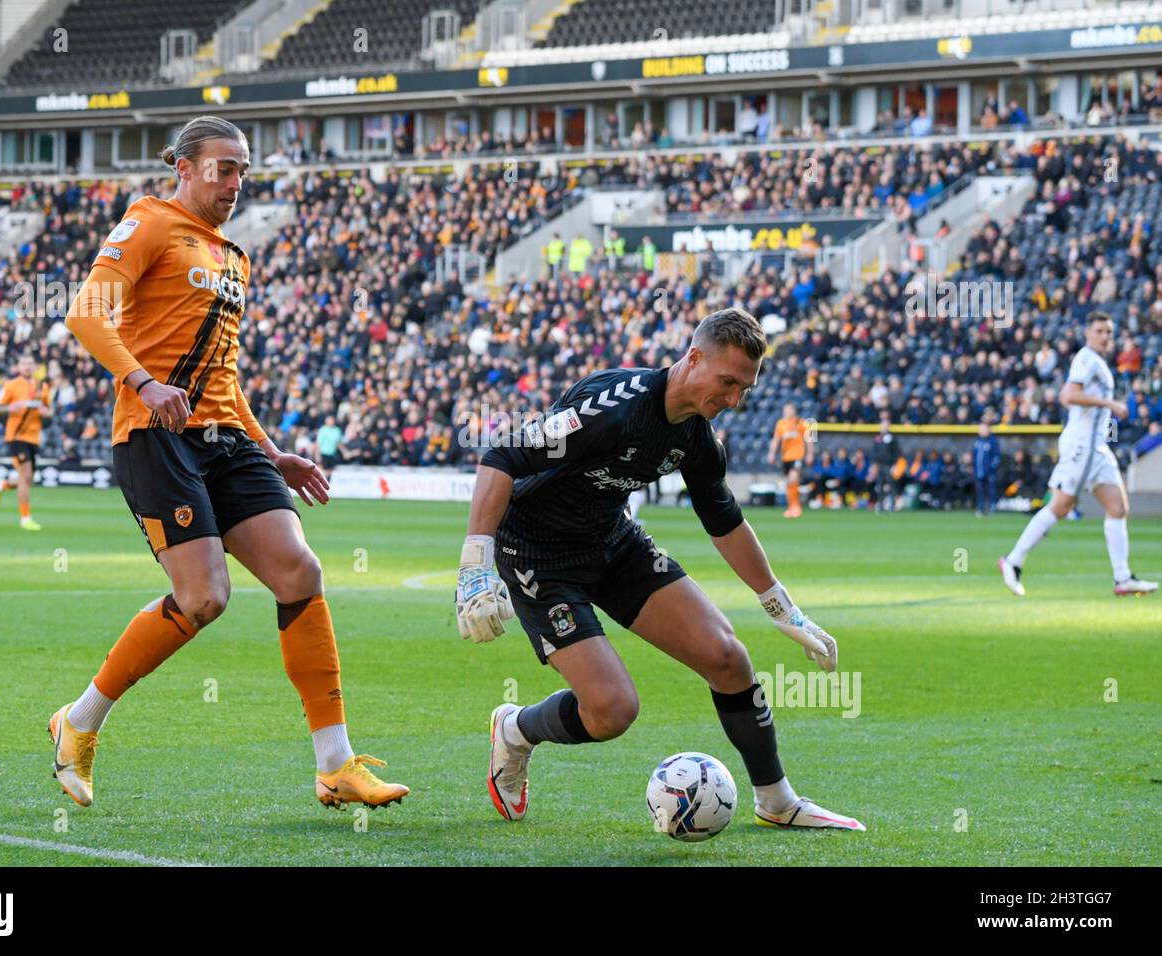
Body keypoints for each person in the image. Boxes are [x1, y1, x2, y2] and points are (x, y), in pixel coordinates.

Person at [56, 115, 408, 811]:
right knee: (205, 597)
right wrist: (144, 383)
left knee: (299, 570)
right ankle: (80, 720)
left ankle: (335, 765)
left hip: (225, 434)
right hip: (155, 432)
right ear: (183, 168)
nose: (235, 182)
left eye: (243, 170)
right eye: (223, 168)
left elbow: (224, 378)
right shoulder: (149, 222)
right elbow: (86, 315)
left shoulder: (235, 258)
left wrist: (273, 451)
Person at [456, 308, 864, 831]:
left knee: (727, 657)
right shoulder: (613, 407)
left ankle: (778, 801)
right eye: (728, 381)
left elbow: (723, 519)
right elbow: (505, 452)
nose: (734, 399)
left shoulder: (697, 437)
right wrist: (474, 567)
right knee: (612, 711)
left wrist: (784, 609)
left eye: (745, 388)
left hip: (611, 540)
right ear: (694, 358)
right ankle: (516, 730)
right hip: (537, 554)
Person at [1000, 312, 1156, 596]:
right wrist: (1109, 403)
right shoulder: (1085, 359)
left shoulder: (1098, 362)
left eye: (1108, 332)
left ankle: (1122, 578)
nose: (1105, 336)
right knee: (1061, 506)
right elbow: (1068, 396)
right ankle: (1014, 561)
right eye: (1099, 331)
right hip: (1082, 447)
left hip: (1096, 447)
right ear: (1087, 333)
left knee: (1117, 507)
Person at [0, 354, 51, 530]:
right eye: (24, 363)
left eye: (30, 364)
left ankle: (2, 484)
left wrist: (45, 411)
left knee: (28, 479)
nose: (27, 366)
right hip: (16, 436)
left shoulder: (43, 387)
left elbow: (50, 410)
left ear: (34, 367)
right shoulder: (11, 385)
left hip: (33, 437)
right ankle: (25, 518)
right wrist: (11, 407)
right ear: (18, 366)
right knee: (25, 474)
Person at [766, 402, 811, 518]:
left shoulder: (801, 423)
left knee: (793, 479)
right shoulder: (781, 424)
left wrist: (810, 454)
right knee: (788, 483)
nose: (786, 412)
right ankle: (791, 507)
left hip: (798, 456)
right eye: (785, 410)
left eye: (788, 410)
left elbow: (809, 440)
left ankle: (796, 507)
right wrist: (771, 453)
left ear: (793, 411)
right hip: (785, 457)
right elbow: (776, 440)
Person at [972, 421, 1001, 515]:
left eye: (983, 429)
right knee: (979, 490)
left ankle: (991, 506)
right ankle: (980, 507)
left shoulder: (993, 441)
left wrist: (991, 468)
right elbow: (974, 456)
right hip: (978, 471)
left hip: (989, 472)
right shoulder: (977, 441)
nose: (981, 431)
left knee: (990, 489)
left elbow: (996, 457)